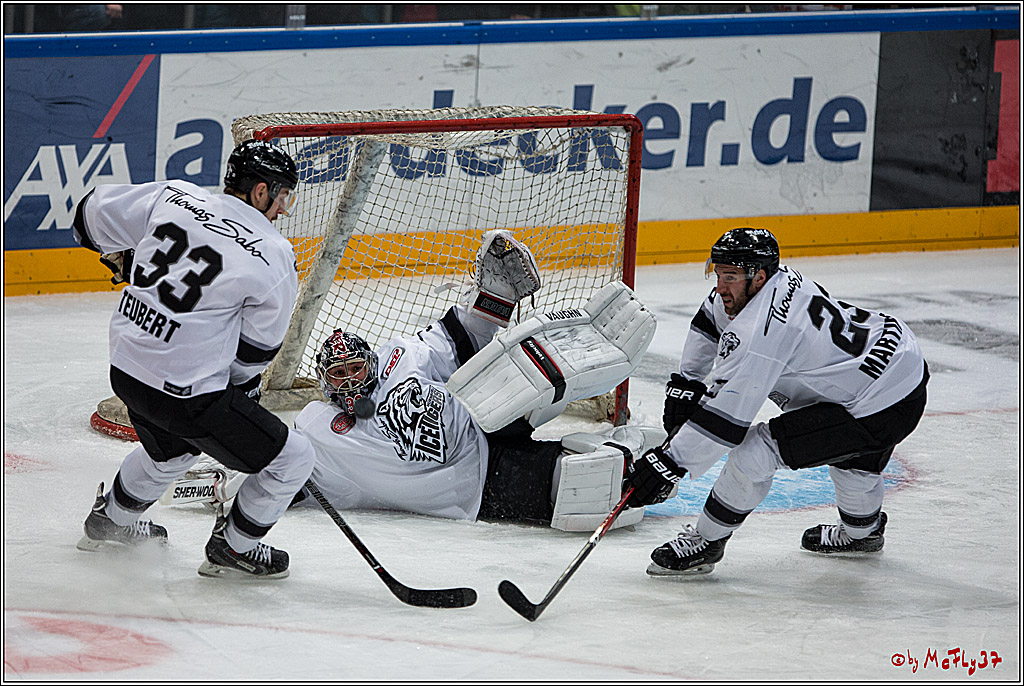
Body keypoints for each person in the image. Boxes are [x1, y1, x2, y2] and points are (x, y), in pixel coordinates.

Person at [168, 231, 661, 532]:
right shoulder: (315, 430)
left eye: (355, 369)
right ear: (322, 384)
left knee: (496, 376)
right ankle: (636, 450)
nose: (349, 382)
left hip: (486, 419)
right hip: (480, 487)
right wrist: (216, 482)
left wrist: (491, 304)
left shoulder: (398, 358)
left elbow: (451, 341)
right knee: (593, 489)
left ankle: (511, 315)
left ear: (371, 363)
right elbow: (279, 470)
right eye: (337, 375)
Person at [72, 139, 317, 580]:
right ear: (260, 192)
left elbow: (86, 217)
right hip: (184, 394)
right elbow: (257, 351)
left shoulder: (175, 195)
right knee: (293, 457)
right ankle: (236, 548)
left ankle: (112, 520)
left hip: (126, 369)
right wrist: (239, 392)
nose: (284, 208)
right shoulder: (273, 252)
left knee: (172, 452)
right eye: (282, 196)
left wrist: (122, 258)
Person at [624, 227, 928, 575]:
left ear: (759, 276)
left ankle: (706, 542)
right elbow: (710, 319)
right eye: (718, 273)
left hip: (882, 404)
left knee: (755, 453)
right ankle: (862, 534)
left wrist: (669, 463)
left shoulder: (761, 333)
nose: (720, 286)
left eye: (730, 277)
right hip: (895, 361)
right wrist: (688, 381)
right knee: (853, 465)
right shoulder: (768, 284)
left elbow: (726, 421)